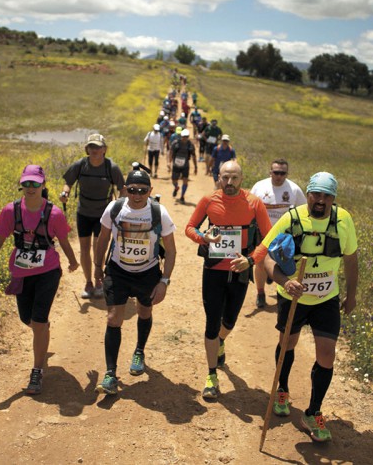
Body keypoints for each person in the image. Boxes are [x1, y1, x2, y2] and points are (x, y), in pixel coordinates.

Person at [260, 172, 358, 442]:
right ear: (309, 194)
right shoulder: (292, 218)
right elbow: (266, 255)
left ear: (333, 198)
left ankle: (313, 412)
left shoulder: (343, 220)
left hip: (326, 299)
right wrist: (284, 281)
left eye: (327, 196)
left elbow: (351, 259)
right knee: (287, 343)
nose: (320, 200)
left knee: (327, 355)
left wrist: (351, 295)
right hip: (293, 297)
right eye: (316, 194)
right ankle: (282, 389)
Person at [0, 165, 79, 395]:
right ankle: (42, 330)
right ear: (21, 185)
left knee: (39, 320)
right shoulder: (10, 211)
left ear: (43, 185)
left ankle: (37, 370)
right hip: (22, 273)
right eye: (27, 184)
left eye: (35, 183)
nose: (30, 188)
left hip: (48, 271)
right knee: (27, 319)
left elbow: (63, 240)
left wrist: (72, 261)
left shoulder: (54, 214)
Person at [185, 161, 272, 400]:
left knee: (230, 321)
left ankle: (221, 340)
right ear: (219, 177)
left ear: (242, 178)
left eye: (234, 178)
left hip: (239, 271)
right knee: (211, 322)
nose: (230, 183)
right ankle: (211, 375)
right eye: (225, 178)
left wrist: (251, 261)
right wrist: (204, 237)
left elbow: (268, 238)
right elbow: (190, 227)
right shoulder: (209, 200)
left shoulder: (254, 203)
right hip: (213, 269)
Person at [93, 165, 177, 395]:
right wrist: (97, 266)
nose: (137, 195)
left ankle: (139, 350)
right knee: (113, 318)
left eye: (142, 190)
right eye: (132, 190)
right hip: (118, 270)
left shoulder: (159, 213)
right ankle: (110, 374)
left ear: (150, 190)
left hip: (147, 272)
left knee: (144, 312)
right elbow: (102, 239)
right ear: (125, 190)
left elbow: (170, 250)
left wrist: (164, 282)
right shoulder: (115, 208)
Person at [60, 134, 126, 299]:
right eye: (92, 147)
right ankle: (88, 282)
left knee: (98, 248)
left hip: (103, 214)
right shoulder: (81, 165)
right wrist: (65, 192)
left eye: (98, 147)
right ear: (87, 149)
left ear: (104, 149)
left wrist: (122, 206)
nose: (95, 150)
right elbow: (68, 182)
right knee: (84, 248)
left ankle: (98, 281)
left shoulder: (111, 167)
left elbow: (122, 188)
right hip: (84, 213)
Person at [249, 159, 306, 308]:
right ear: (270, 172)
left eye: (282, 173)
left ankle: (274, 279)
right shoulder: (259, 187)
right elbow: (249, 207)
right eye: (276, 172)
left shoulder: (294, 190)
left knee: (282, 263)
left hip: (284, 237)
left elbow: (304, 210)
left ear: (287, 174)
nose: (279, 176)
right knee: (260, 263)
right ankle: (261, 293)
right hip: (262, 233)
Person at [170, 129, 198, 204]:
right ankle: (176, 187)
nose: (184, 138)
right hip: (176, 164)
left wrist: (195, 167)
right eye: (183, 136)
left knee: (185, 180)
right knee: (174, 180)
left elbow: (194, 156)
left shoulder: (190, 145)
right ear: (181, 136)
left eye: (186, 137)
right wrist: (169, 162)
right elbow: (171, 152)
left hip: (185, 165)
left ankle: (182, 196)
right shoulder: (175, 143)